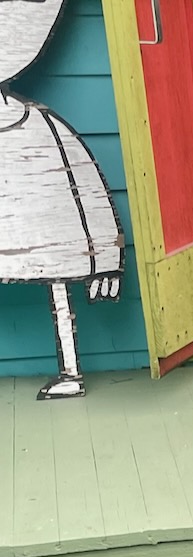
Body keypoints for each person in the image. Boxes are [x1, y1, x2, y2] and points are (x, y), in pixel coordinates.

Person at [1, 0, 124, 399]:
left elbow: (85, 185)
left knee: (59, 291)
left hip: (48, 235)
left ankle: (70, 370)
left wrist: (106, 259)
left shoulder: (41, 125)